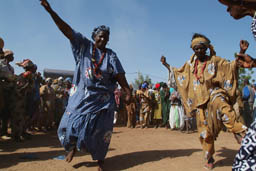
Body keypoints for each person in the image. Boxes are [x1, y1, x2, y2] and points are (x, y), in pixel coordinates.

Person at [40, 1, 131, 170]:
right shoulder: (83, 46)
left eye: (106, 37)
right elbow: (66, 30)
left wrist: (127, 91)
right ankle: (72, 147)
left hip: (103, 99)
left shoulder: (111, 55)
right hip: (82, 95)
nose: (103, 39)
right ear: (94, 36)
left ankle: (100, 159)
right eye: (100, 36)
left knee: (101, 131)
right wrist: (50, 11)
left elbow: (119, 74)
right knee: (68, 123)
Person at [161, 33, 250, 170]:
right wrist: (166, 64)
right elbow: (178, 73)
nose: (198, 51)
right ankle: (209, 157)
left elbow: (231, 66)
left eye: (201, 48)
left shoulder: (215, 61)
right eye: (196, 49)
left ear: (206, 48)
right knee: (205, 133)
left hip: (215, 94)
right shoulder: (190, 66)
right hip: (200, 103)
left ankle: (243, 134)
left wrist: (242, 51)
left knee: (225, 111)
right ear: (193, 50)